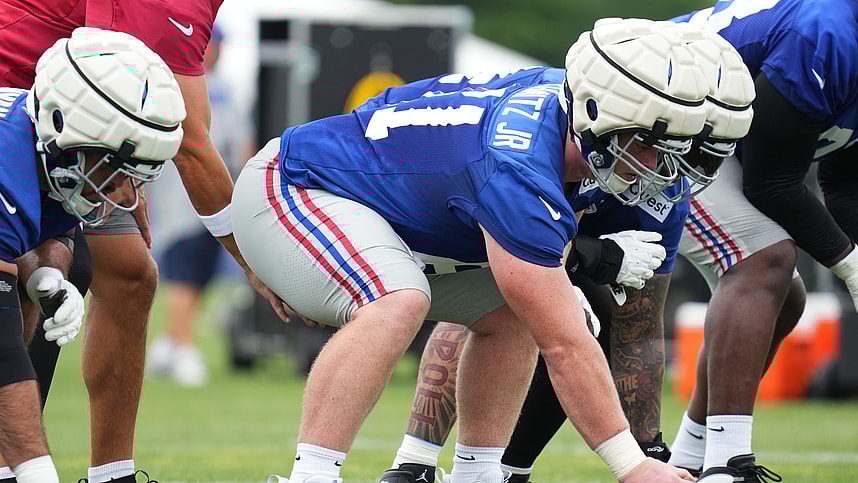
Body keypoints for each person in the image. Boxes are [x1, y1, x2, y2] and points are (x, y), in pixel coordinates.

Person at [233, 18, 710, 483]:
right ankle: (312, 476)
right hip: (296, 183)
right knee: (398, 299)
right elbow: (564, 345)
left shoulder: (565, 107)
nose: (655, 165)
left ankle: (478, 474)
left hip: (383, 214)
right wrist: (632, 465)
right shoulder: (517, 163)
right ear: (595, 115)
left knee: (514, 309)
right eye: (644, 142)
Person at [375, 20, 756, 483]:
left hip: (540, 223)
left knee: (581, 327)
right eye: (657, 143)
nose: (669, 167)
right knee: (492, 302)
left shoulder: (661, 184)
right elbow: (501, 250)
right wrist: (591, 255)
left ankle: (508, 470)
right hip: (434, 214)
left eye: (691, 148)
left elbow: (637, 327)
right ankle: (414, 463)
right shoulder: (534, 130)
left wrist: (647, 450)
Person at [0, 1, 287, 481]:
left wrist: (118, 177)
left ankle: (110, 473)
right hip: (39, 120)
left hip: (65, 130)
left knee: (117, 271)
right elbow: (191, 144)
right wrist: (256, 261)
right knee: (11, 285)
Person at [667, 0, 858, 481]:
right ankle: (726, 466)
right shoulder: (829, 37)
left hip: (715, 141)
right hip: (658, 126)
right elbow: (771, 183)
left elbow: (843, 184)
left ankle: (692, 459)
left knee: (784, 293)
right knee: (766, 260)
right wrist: (854, 269)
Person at [0, 27, 184, 482]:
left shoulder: (49, 146)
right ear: (66, 126)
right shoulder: (10, 159)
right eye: (114, 167)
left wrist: (42, 274)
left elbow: (37, 235)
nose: (122, 192)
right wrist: (37, 469)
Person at [145, 23, 251, 387]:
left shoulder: (225, 90)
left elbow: (239, 143)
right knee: (182, 275)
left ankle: (170, 343)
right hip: (179, 200)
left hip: (216, 195)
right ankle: (183, 347)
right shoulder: (169, 84)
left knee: (200, 275)